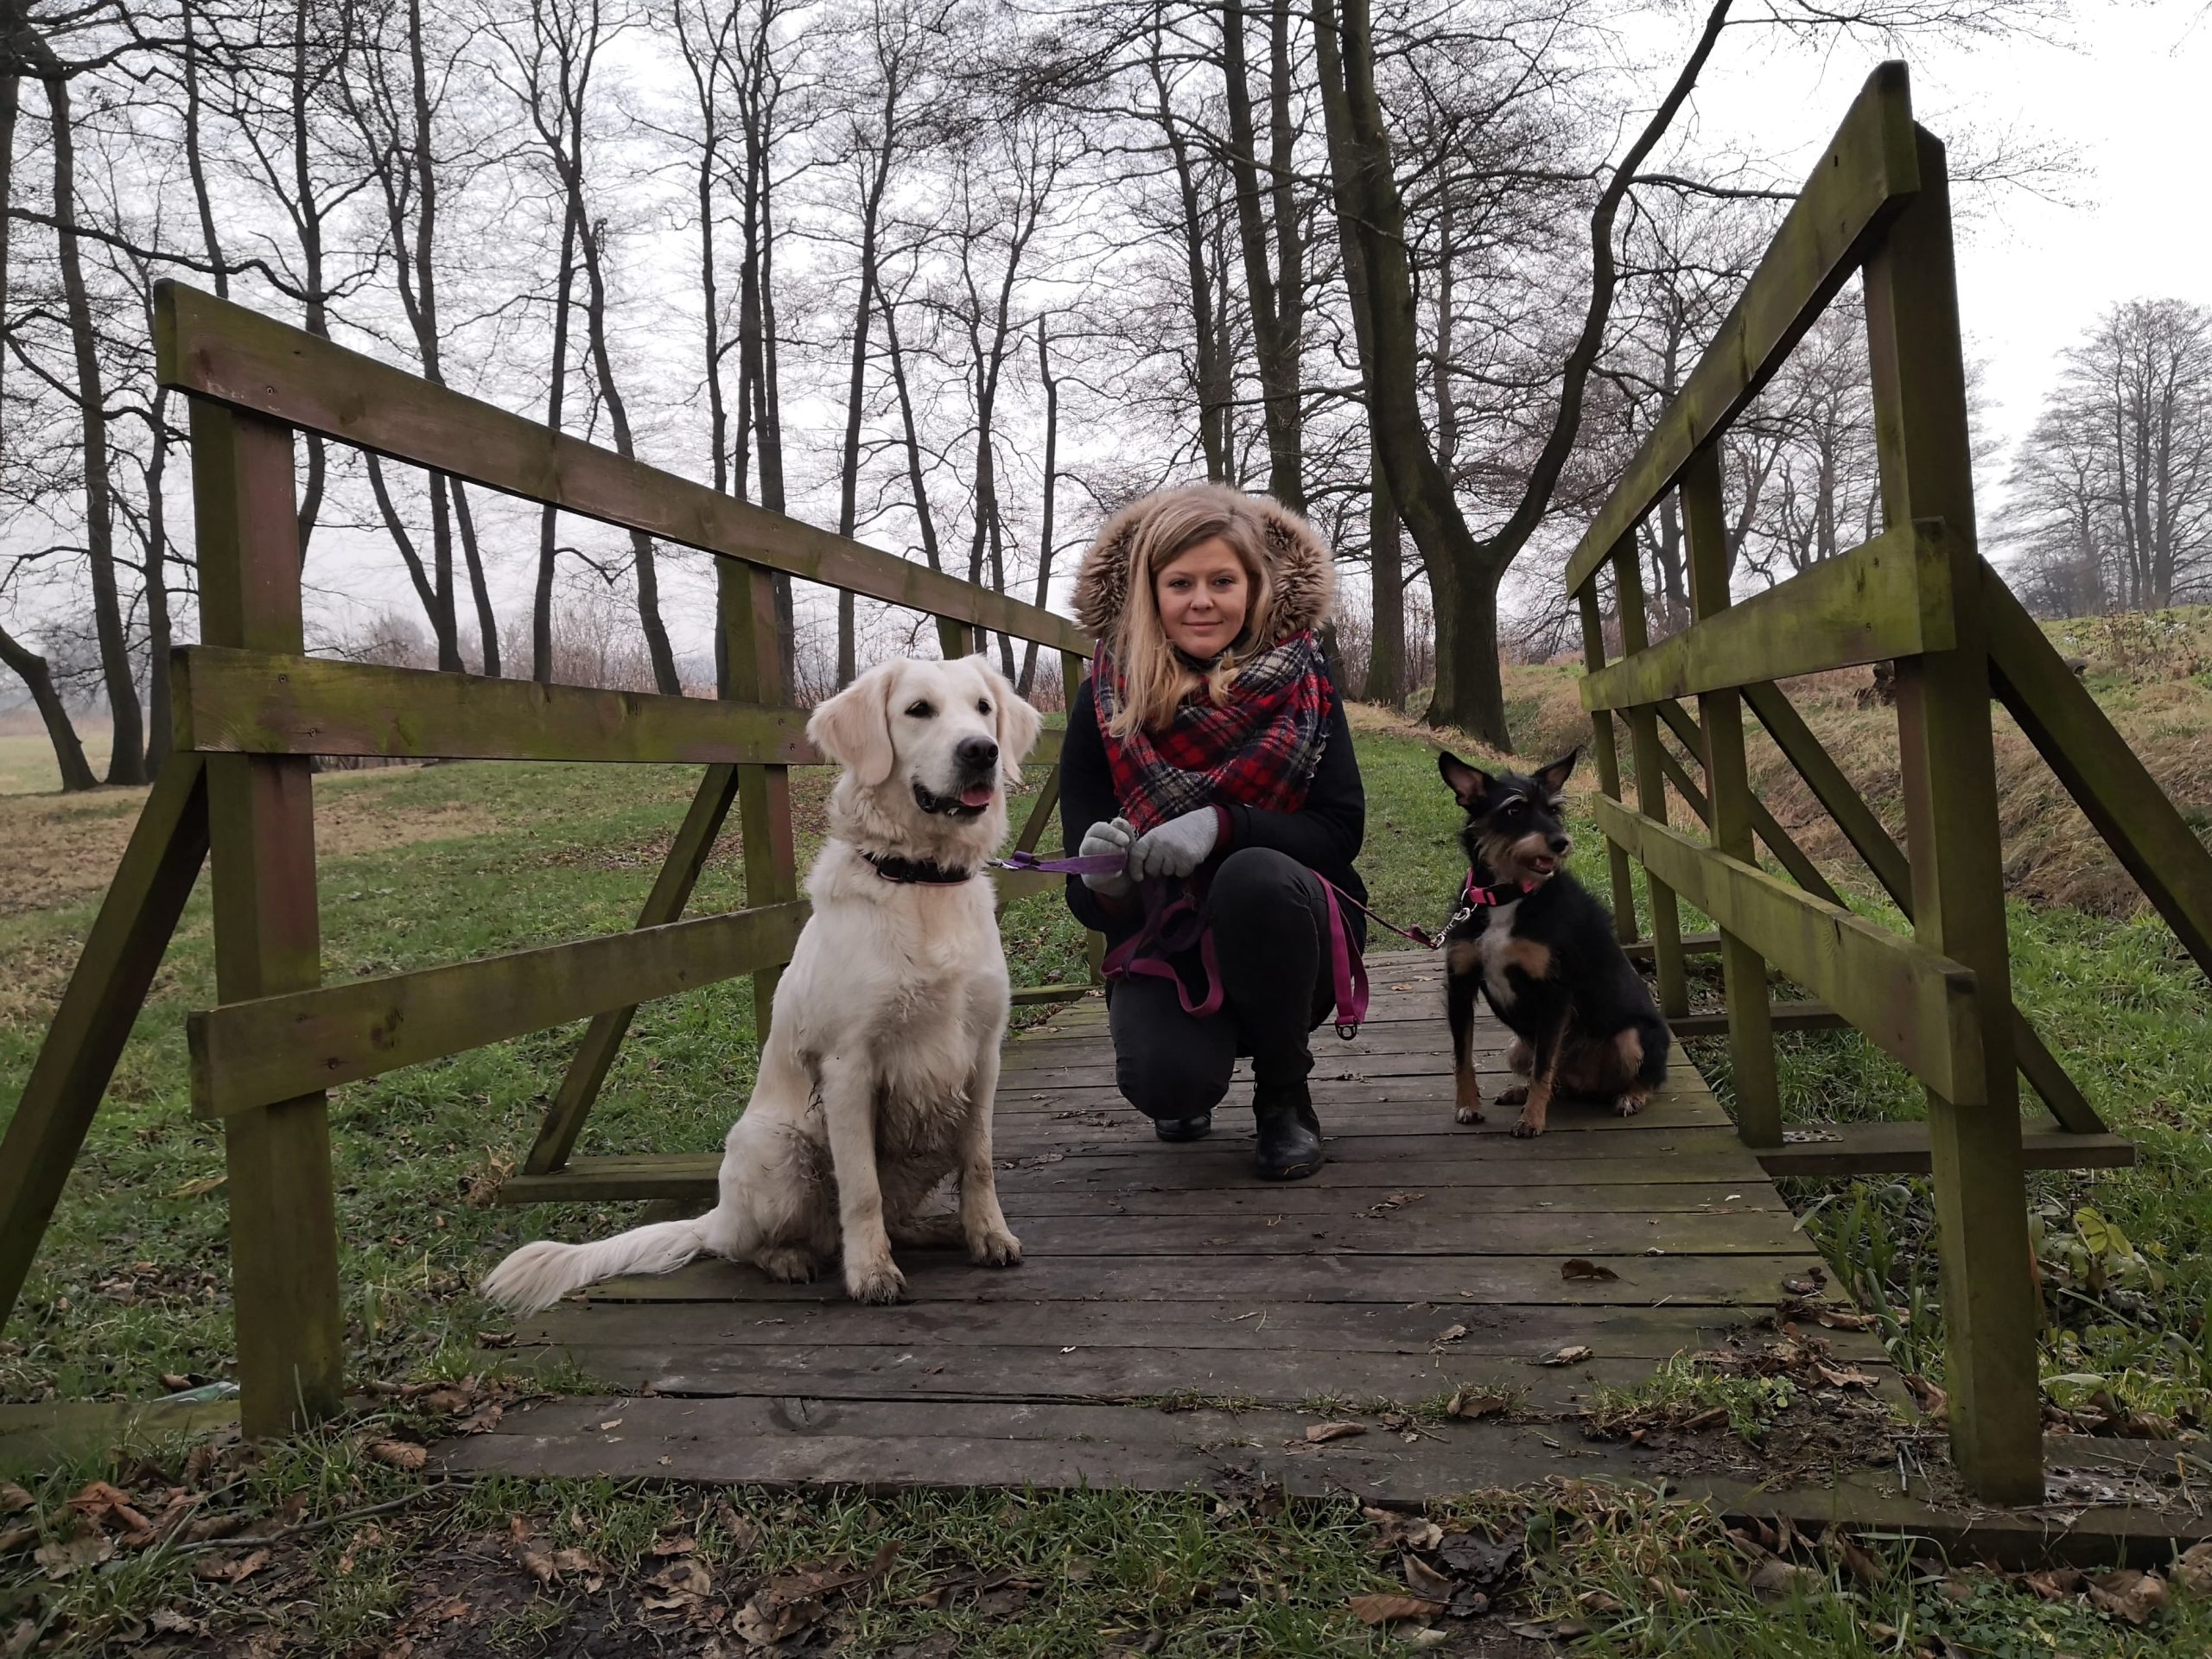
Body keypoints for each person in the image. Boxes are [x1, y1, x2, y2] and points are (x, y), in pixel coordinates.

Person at [1058, 483, 1368, 1181]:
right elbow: (1083, 894)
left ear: (1254, 587)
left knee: (1252, 873)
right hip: (1165, 936)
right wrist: (1103, 882)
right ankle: (1189, 1067)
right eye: (1181, 583)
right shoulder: (1103, 698)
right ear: (1150, 591)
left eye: (1222, 581)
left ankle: (1285, 1095)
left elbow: (1339, 831)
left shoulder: (1307, 682)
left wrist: (1223, 824)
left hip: (1295, 926)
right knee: (1164, 1082)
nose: (1203, 601)